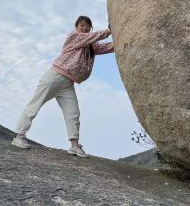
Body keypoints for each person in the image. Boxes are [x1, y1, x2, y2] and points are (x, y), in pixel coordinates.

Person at [11, 16, 114, 158]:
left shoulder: (90, 45)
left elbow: (105, 47)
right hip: (55, 77)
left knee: (73, 113)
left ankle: (74, 146)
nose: (84, 28)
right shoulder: (74, 36)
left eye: (87, 26)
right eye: (82, 25)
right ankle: (19, 136)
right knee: (35, 104)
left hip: (68, 84)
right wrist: (109, 30)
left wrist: (122, 41)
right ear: (76, 27)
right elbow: (93, 37)